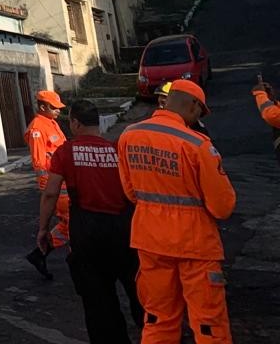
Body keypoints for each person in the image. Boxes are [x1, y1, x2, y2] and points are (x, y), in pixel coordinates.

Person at [118, 79, 236, 343]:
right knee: (208, 324)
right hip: (195, 245)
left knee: (158, 318)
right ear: (193, 104)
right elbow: (222, 207)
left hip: (150, 241)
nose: (199, 118)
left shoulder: (129, 136)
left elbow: (131, 192)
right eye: (200, 111)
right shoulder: (198, 145)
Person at [37, 99, 142, 343]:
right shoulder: (116, 149)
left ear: (75, 123)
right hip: (125, 229)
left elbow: (51, 193)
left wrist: (43, 229)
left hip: (88, 232)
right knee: (140, 292)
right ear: (98, 123)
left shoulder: (66, 152)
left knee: (98, 302)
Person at [25, 88, 68, 278]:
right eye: (54, 107)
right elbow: (39, 163)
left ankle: (39, 254)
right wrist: (48, 189)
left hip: (64, 182)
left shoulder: (52, 123)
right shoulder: (37, 128)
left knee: (69, 224)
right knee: (74, 222)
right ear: (43, 107)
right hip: (56, 185)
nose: (58, 110)